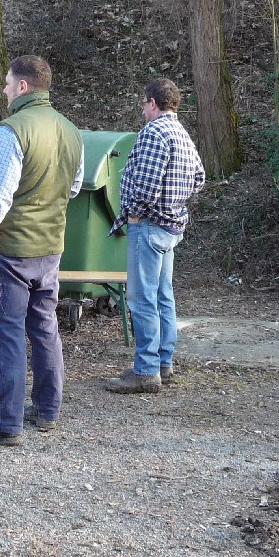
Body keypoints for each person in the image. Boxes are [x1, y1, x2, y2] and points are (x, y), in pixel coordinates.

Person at [0, 56, 83, 445]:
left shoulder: (10, 132)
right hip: (50, 248)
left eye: (8, 83)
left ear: (23, 86)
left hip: (9, 251)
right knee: (45, 329)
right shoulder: (72, 131)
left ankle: (6, 424)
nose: (5, 89)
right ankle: (47, 409)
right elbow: (73, 187)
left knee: (5, 336)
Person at [105, 77, 206, 394]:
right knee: (163, 297)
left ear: (152, 103)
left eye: (143, 103)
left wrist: (134, 211)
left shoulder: (154, 132)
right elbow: (199, 178)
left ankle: (146, 371)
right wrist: (174, 202)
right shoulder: (181, 133)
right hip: (170, 228)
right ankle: (163, 364)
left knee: (142, 299)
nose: (142, 109)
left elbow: (146, 188)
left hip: (148, 226)